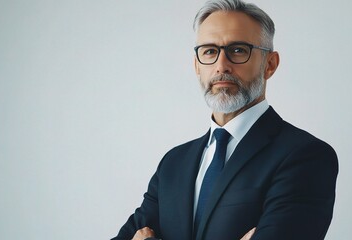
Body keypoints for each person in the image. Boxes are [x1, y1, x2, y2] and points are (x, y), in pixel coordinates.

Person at [112, 0, 338, 239]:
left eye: (238, 50)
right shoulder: (173, 164)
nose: (221, 65)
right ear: (197, 66)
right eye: (209, 51)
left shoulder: (305, 156)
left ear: (270, 65)